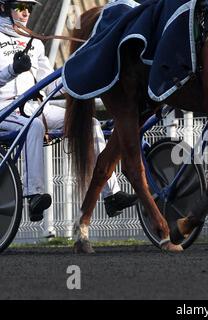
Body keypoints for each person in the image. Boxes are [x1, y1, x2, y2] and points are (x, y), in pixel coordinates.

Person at [0, 0, 137, 222]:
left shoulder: (34, 43)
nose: (26, 14)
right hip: (5, 109)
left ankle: (111, 195)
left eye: (30, 8)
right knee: (33, 126)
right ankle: (33, 194)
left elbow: (49, 85)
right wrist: (12, 70)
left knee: (90, 125)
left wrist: (77, 73)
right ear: (3, 8)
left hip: (34, 108)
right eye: (20, 7)